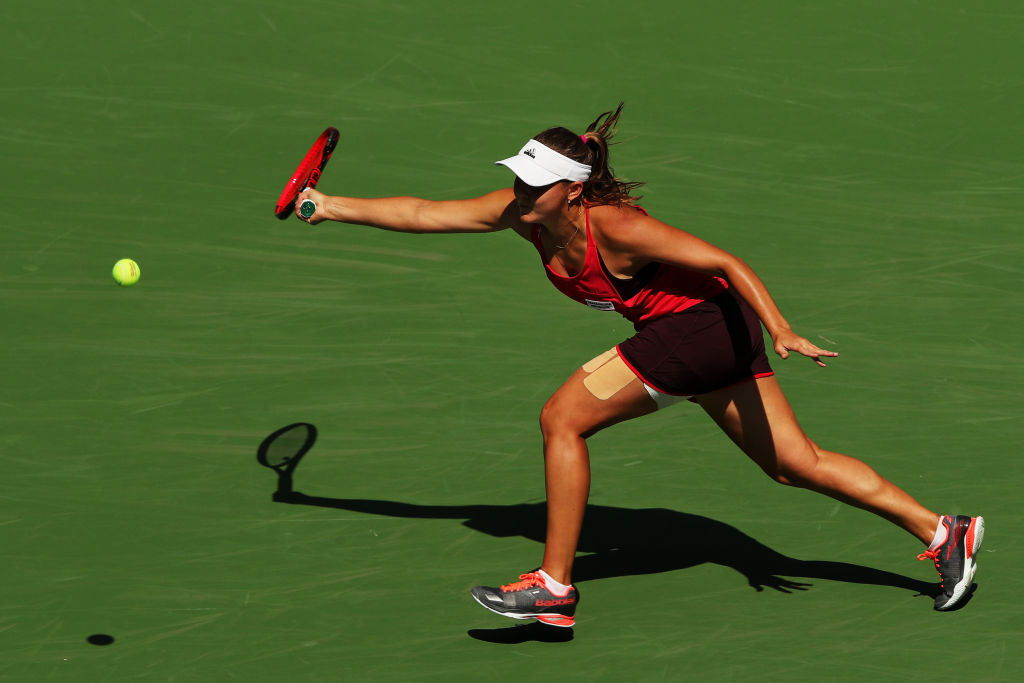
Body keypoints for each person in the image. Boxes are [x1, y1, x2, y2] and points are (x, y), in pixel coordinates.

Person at [294, 104, 984, 628]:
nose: (522, 191)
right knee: (793, 462)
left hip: (704, 327)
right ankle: (941, 530)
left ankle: (554, 587)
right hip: (699, 333)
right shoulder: (523, 215)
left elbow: (723, 260)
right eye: (519, 177)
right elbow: (424, 211)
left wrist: (782, 329)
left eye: (536, 183)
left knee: (562, 417)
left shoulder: (616, 224)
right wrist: (329, 206)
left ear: (572, 189)